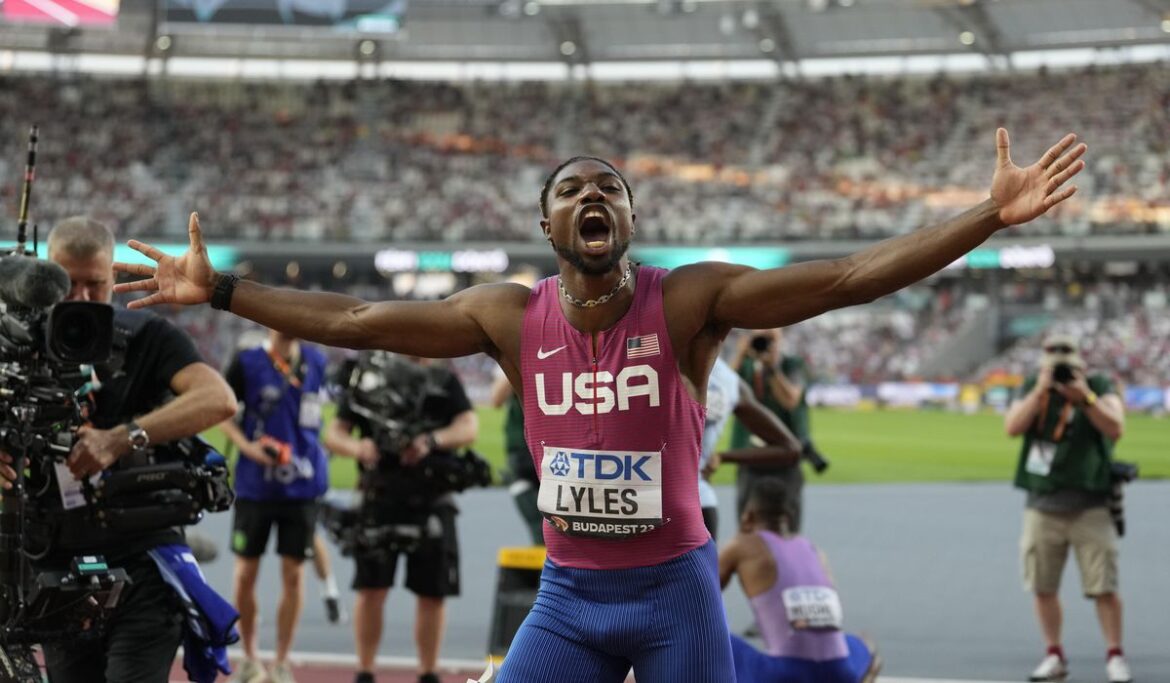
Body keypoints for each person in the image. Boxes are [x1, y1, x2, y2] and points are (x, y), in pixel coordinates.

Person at [114, 128, 1086, 682]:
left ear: (628, 219)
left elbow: (844, 278)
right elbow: (363, 316)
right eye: (572, 187)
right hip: (570, 598)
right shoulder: (506, 314)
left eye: (609, 188)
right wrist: (228, 292)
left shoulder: (693, 300)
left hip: (676, 596)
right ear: (546, 223)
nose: (592, 195)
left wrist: (985, 218)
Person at [0, 216, 237, 682]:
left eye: (96, 285)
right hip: (57, 570)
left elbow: (218, 398)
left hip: (144, 561)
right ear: (45, 278)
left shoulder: (145, 337)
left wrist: (122, 437)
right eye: (67, 285)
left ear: (115, 279)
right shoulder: (15, 348)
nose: (82, 300)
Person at [323, 352, 478, 683]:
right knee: (371, 587)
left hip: (432, 496)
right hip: (378, 494)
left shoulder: (443, 380)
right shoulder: (368, 379)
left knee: (433, 592)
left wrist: (431, 441)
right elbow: (335, 433)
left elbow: (469, 426)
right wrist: (359, 448)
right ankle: (364, 672)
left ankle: (429, 673)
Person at [1003, 334, 1130, 683]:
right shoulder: (1032, 385)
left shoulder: (1100, 384)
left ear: (1079, 361)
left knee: (1104, 585)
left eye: (1065, 358)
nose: (1059, 364)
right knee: (1043, 586)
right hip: (1043, 504)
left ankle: (1115, 656)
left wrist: (1084, 398)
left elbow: (1116, 427)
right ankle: (1054, 654)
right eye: (1052, 357)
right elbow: (1012, 428)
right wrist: (1040, 391)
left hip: (1091, 504)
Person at [220, 329, 331, 683]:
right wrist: (248, 447)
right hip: (256, 485)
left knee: (294, 575)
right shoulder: (248, 362)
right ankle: (250, 658)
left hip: (302, 484)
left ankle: (282, 662)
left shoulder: (316, 360)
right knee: (245, 574)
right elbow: (221, 408)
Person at [719, 478, 880, 683]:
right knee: (866, 644)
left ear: (748, 515)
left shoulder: (743, 545)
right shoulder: (814, 550)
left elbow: (698, 595)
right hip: (840, 671)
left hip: (782, 674)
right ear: (788, 517)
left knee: (705, 636)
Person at [700, 356, 803, 540]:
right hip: (694, 501)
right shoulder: (729, 379)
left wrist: (723, 456)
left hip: (656, 496)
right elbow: (790, 448)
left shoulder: (729, 380)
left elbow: (790, 448)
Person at [729, 328, 817, 529]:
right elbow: (723, 392)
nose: (764, 342)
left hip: (785, 458)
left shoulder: (791, 363)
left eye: (770, 337)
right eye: (760, 336)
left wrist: (773, 368)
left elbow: (790, 400)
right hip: (750, 456)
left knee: (788, 523)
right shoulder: (746, 365)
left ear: (781, 336)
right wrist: (740, 354)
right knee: (747, 523)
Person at [490, 372, 543, 545]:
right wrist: (515, 362)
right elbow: (496, 400)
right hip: (521, 450)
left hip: (551, 448)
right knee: (536, 522)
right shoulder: (514, 356)